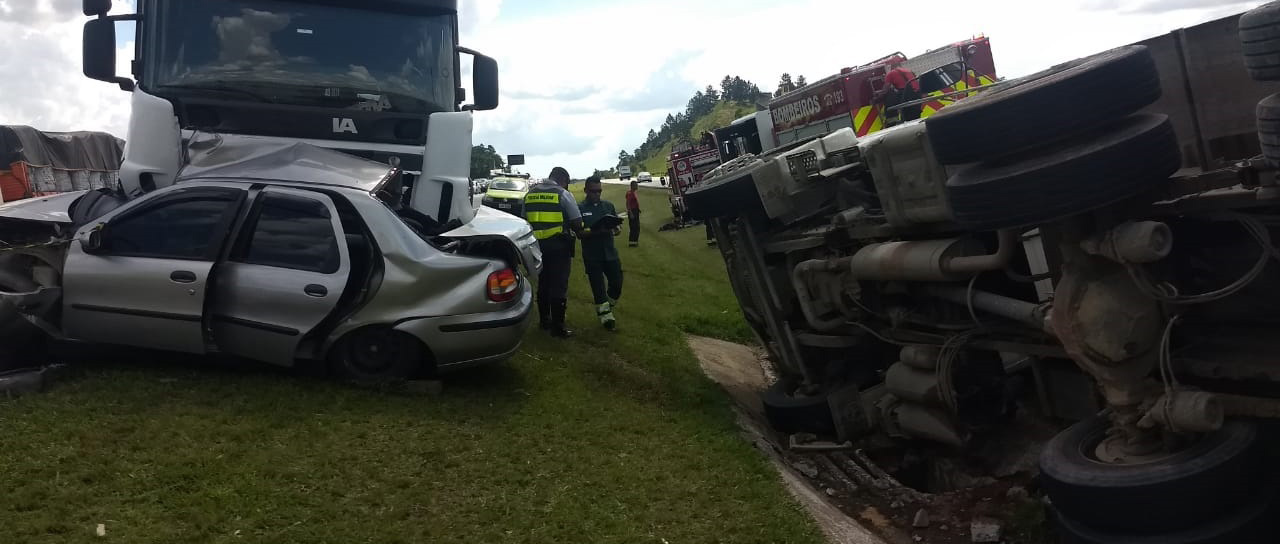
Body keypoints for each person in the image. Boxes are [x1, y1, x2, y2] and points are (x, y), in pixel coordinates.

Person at [524, 167, 585, 338]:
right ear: (564, 180)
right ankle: (558, 327)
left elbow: (523, 221)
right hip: (558, 246)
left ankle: (544, 321)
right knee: (558, 285)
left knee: (543, 283)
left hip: (536, 248)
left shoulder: (530, 195)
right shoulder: (562, 194)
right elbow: (577, 223)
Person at [579, 176, 624, 330]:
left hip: (610, 253)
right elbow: (579, 233)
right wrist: (595, 231)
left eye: (599, 191)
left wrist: (616, 229)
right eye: (593, 191)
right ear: (586, 190)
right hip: (592, 255)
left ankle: (607, 307)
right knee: (598, 288)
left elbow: (617, 227)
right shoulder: (580, 209)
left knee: (617, 283)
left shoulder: (608, 206)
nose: (597, 194)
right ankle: (606, 319)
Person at [625, 180, 641, 247]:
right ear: (632, 186)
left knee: (637, 227)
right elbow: (628, 203)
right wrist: (630, 213)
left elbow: (635, 202)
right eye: (636, 185)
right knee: (634, 227)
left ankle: (635, 241)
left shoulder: (633, 193)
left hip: (635, 211)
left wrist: (638, 209)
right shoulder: (630, 193)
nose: (637, 186)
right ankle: (632, 242)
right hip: (632, 211)